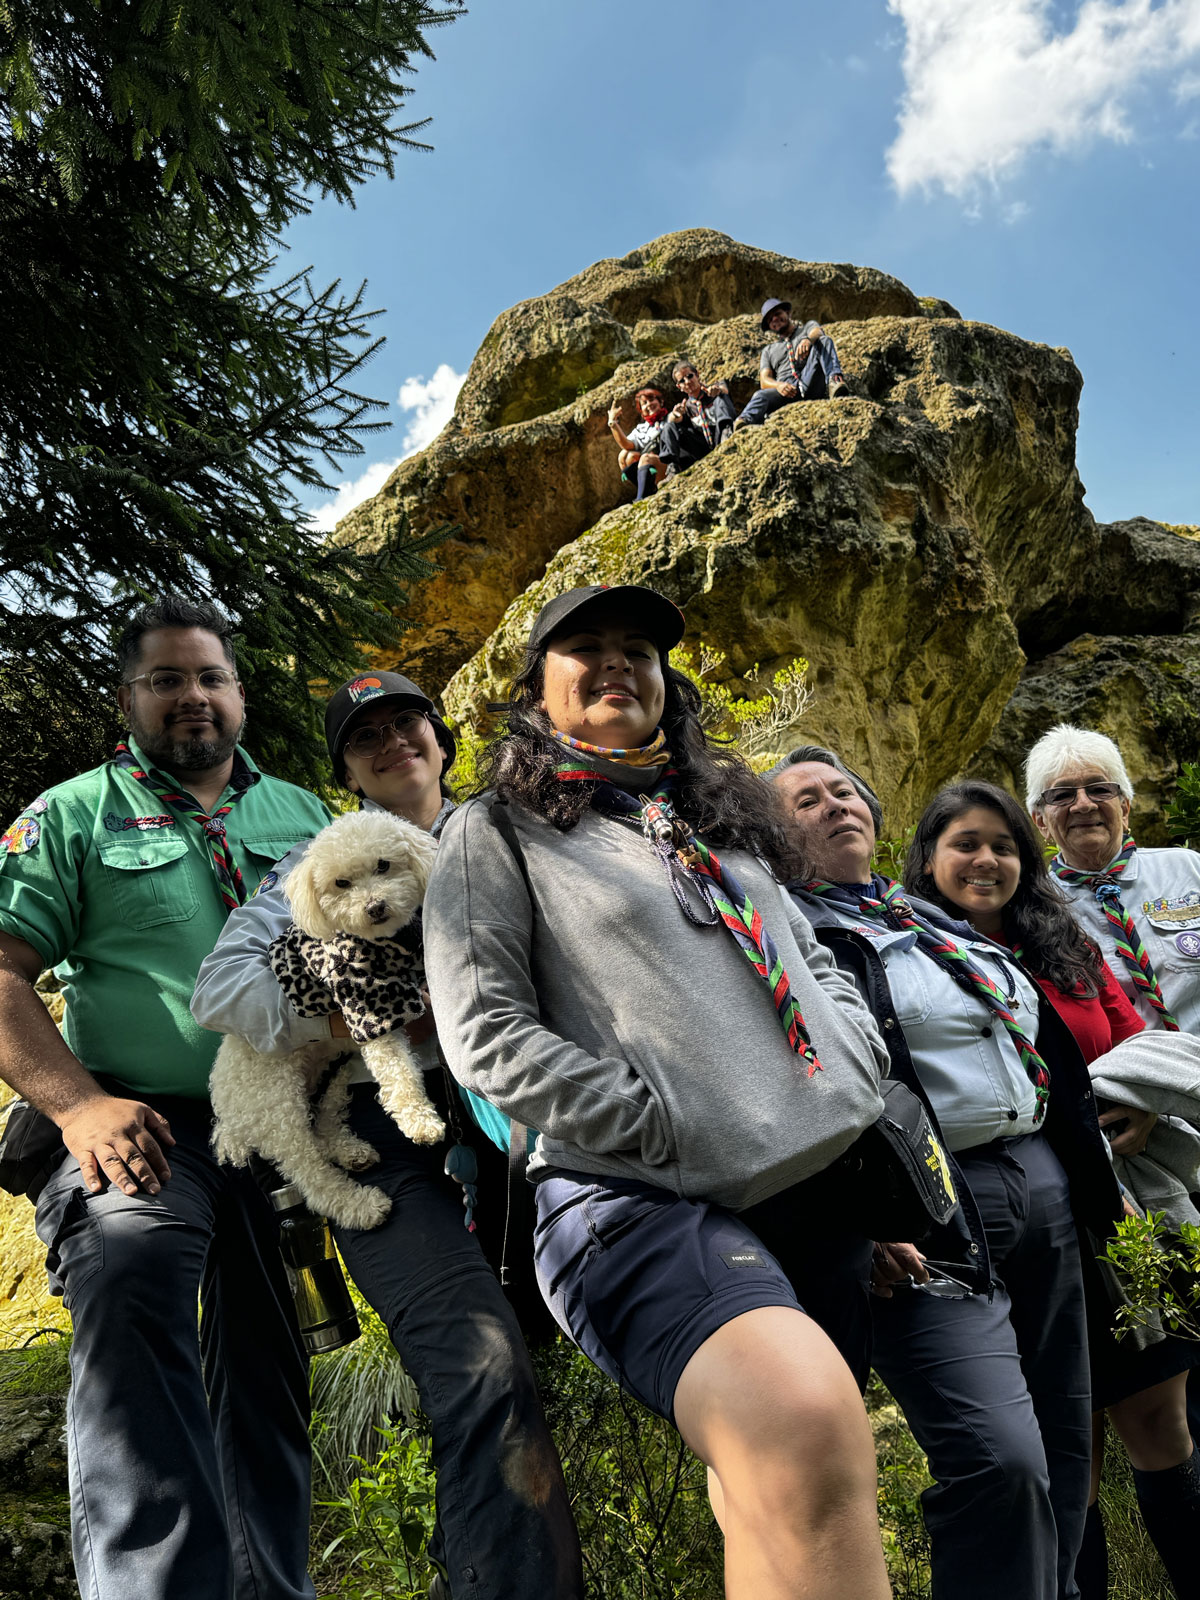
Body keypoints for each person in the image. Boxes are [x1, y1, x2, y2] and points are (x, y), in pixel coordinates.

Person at [423, 583, 895, 1600]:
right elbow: (483, 1035)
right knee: (804, 1420)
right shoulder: (494, 832)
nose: (615, 662)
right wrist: (660, 1121)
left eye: (637, 647)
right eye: (582, 647)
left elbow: (809, 953)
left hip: (810, 1189)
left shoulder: (716, 818)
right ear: (535, 691)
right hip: (632, 1196)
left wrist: (853, 1065)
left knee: (776, 1494)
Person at [191, 669, 584, 1600]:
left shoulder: (511, 834)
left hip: (534, 1132)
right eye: (367, 737)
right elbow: (218, 992)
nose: (393, 741)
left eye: (409, 721)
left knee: (536, 1376)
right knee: (479, 1368)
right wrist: (354, 1023)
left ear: (441, 738)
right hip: (388, 1136)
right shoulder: (314, 869)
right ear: (348, 774)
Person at [0, 596, 332, 1600]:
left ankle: (270, 1588)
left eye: (210, 676)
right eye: (167, 678)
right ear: (128, 696)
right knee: (132, 1276)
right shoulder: (70, 814)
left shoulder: (303, 817)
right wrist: (76, 1108)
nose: (193, 695)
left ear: (238, 692)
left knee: (271, 1369)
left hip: (280, 1128)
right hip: (139, 1120)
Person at [772, 748, 1121, 1600]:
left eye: (845, 790)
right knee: (1000, 1460)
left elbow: (1042, 1050)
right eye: (806, 800)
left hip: (1044, 1188)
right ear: (770, 833)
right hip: (925, 1215)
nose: (833, 805)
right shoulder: (779, 936)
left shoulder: (931, 922)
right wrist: (850, 1213)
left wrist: (1090, 1187)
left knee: (1066, 1443)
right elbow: (785, 1086)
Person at [1026, 723, 1200, 1038]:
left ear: (1124, 808)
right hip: (1114, 1081)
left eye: (1099, 788)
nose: (1083, 804)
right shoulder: (1033, 907)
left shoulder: (1188, 870)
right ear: (1041, 822)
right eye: (1062, 794)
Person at [734, 297, 850, 428]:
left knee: (823, 341)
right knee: (760, 395)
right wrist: (778, 386)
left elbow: (818, 331)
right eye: (770, 320)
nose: (774, 320)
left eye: (777, 314)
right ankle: (745, 421)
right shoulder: (769, 350)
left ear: (788, 313)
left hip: (809, 380)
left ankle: (835, 381)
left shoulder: (806, 329)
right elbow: (764, 380)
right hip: (785, 393)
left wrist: (808, 340)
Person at [659, 360, 736, 470]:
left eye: (690, 376)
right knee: (669, 426)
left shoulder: (713, 389)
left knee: (721, 398)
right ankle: (673, 465)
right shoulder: (686, 407)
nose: (687, 381)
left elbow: (723, 389)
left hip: (719, 436)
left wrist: (717, 390)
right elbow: (674, 420)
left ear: (697, 375)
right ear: (679, 387)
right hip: (702, 447)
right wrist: (675, 415)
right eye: (682, 381)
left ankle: (726, 434)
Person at [606, 387, 670, 499]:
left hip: (669, 464)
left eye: (652, 400)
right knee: (625, 455)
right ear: (641, 410)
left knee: (646, 458)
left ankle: (641, 498)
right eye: (644, 403)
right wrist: (613, 423)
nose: (649, 404)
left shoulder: (670, 418)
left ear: (661, 402)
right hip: (652, 463)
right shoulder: (642, 428)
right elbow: (627, 445)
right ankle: (647, 491)